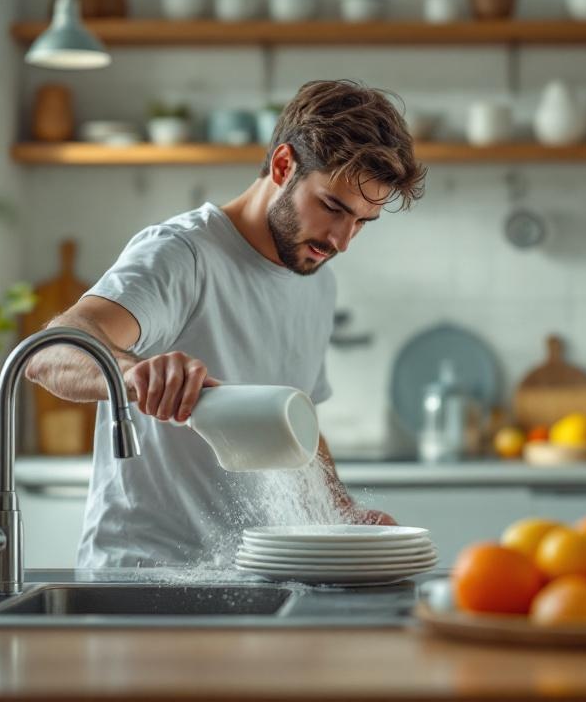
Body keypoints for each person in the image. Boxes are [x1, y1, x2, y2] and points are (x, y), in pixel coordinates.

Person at [25, 79, 427, 567]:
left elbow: (300, 424)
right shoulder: (182, 253)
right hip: (145, 582)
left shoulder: (317, 278)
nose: (342, 240)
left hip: (256, 575)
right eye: (333, 208)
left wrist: (340, 509)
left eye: (363, 221)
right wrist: (131, 375)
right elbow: (51, 353)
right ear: (283, 166)